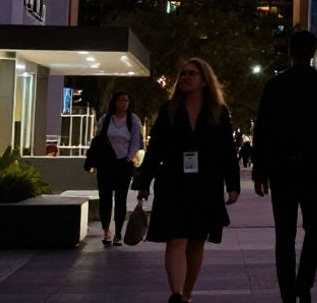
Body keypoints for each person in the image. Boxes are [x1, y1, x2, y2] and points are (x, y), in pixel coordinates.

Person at [253, 30, 317, 303]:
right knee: (315, 229)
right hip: (315, 170)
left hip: (282, 169)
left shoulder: (275, 85)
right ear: (314, 53)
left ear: (290, 53)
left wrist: (260, 171)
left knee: (284, 234)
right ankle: (303, 282)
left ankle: (287, 290)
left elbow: (263, 130)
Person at [137, 58, 241, 303]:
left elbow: (227, 150)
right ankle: (176, 294)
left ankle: (186, 294)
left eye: (191, 73)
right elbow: (156, 148)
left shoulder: (218, 112)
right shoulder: (169, 110)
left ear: (204, 80)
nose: (185, 77)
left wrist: (233, 184)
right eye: (182, 73)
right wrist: (143, 181)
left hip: (206, 183)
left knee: (196, 242)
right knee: (176, 237)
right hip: (174, 181)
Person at [93, 91, 144, 248]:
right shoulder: (105, 119)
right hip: (105, 164)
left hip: (123, 163)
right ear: (114, 102)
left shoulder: (133, 120)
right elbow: (99, 139)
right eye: (121, 100)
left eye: (126, 101)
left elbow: (136, 141)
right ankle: (106, 230)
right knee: (105, 197)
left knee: (120, 198)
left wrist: (129, 158)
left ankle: (118, 233)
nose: (124, 103)